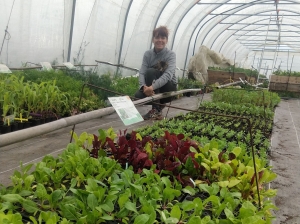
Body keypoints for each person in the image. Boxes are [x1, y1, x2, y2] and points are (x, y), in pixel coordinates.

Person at [134, 26, 177, 120]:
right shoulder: (148, 54)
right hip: (155, 89)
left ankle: (156, 109)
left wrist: (151, 88)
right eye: (157, 37)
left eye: (163, 38)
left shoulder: (171, 55)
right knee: (138, 96)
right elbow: (142, 72)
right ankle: (159, 105)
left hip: (169, 87)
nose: (160, 40)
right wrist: (143, 87)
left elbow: (168, 76)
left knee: (150, 72)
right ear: (153, 40)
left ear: (166, 40)